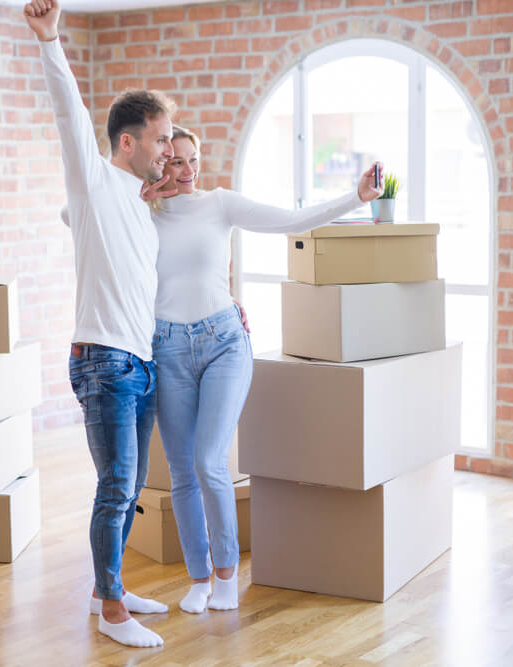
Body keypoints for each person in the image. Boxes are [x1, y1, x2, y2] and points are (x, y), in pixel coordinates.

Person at [147, 125, 384, 614]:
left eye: (194, 160)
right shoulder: (142, 213)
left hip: (222, 342)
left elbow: (291, 220)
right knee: (181, 470)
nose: (188, 170)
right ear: (159, 164)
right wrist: (137, 194)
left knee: (209, 460)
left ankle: (226, 573)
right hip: (166, 347)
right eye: (176, 161)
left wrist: (356, 197)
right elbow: (75, 218)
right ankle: (198, 577)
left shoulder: (219, 204)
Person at [23, 0, 182, 648]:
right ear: (128, 140)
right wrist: (51, 40)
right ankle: (112, 609)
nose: (169, 149)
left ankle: (103, 588)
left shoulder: (139, 205)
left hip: (138, 362)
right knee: (116, 485)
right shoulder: (92, 179)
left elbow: (95, 236)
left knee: (130, 484)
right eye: (162, 138)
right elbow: (69, 111)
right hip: (104, 361)